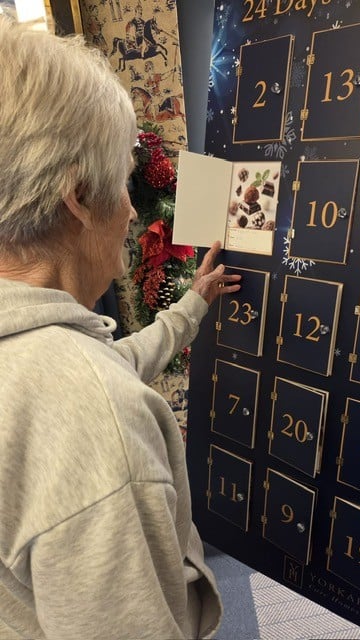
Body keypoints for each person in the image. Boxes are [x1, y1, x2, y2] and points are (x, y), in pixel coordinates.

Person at [0, 13, 241, 640]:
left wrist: (192, 304)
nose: (133, 208)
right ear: (81, 196)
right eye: (122, 180)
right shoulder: (93, 415)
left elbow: (111, 362)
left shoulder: (38, 353)